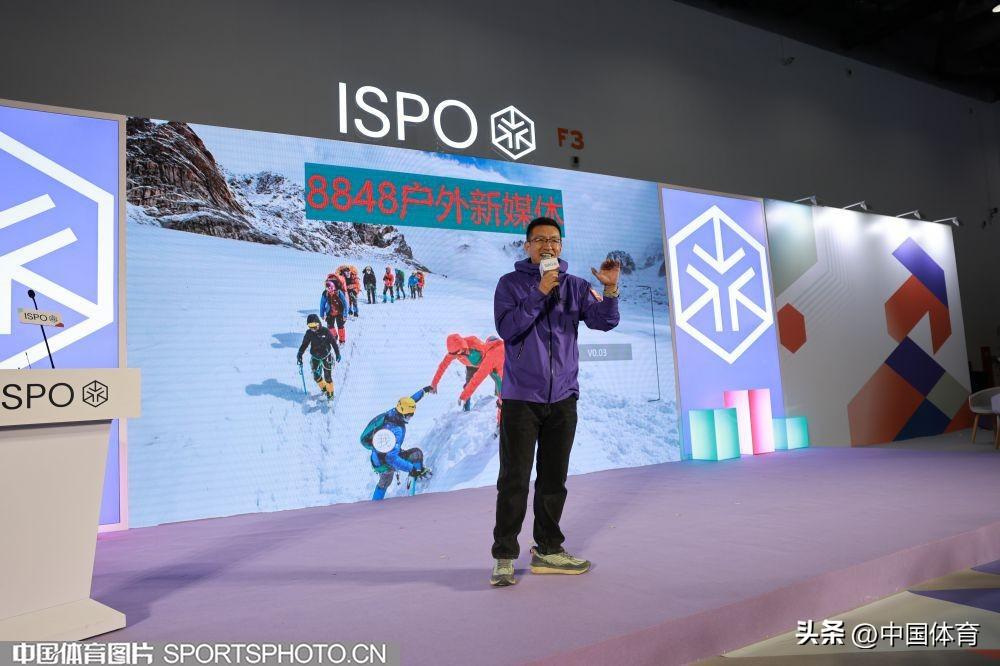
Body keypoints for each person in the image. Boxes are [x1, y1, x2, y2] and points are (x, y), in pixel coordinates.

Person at [489, 216, 620, 587]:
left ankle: (548, 549)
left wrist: (610, 290)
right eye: (540, 239)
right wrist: (539, 292)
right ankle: (504, 556)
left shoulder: (575, 286)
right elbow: (507, 328)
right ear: (527, 245)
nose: (548, 245)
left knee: (553, 480)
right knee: (514, 480)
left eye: (554, 240)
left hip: (563, 399)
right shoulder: (510, 284)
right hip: (521, 399)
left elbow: (604, 322)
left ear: (560, 246)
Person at [360, 387, 435, 500]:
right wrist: (411, 469)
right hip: (384, 462)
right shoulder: (396, 430)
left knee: (384, 482)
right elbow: (391, 458)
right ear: (404, 414)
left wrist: (424, 391)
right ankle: (414, 484)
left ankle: (375, 504)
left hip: (377, 457)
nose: (411, 416)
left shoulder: (393, 412)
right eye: (410, 415)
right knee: (415, 455)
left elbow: (409, 401)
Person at [427, 334, 502, 413]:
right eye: (459, 352)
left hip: (486, 362)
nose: (464, 352)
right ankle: (466, 411)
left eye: (463, 349)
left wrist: (493, 365)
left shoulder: (473, 341)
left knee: (498, 379)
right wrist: (434, 384)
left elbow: (488, 351)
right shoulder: (452, 354)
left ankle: (499, 402)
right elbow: (442, 367)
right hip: (471, 366)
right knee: (468, 386)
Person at [296, 313, 342, 399]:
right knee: (316, 376)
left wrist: (337, 353)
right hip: (315, 357)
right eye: (310, 326)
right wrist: (300, 353)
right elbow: (304, 344)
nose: (313, 329)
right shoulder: (309, 333)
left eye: (314, 326)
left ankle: (330, 395)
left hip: (326, 356)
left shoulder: (325, 331)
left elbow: (333, 342)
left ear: (318, 323)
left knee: (327, 377)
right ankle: (324, 389)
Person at [320, 276, 348, 344]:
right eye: (328, 288)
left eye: (331, 288)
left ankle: (342, 340)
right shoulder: (325, 294)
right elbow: (322, 304)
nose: (329, 290)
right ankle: (334, 336)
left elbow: (345, 304)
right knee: (330, 326)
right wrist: (322, 314)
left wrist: (345, 315)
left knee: (340, 326)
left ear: (334, 287)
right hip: (330, 312)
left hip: (340, 312)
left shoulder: (339, 292)